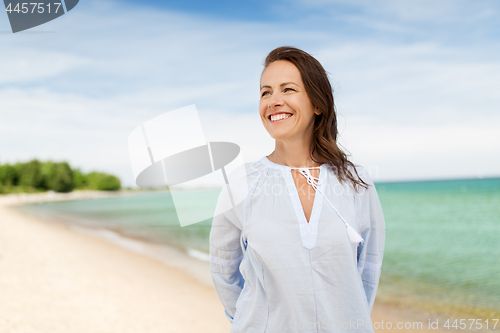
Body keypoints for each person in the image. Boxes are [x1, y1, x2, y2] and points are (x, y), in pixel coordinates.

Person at [209, 46, 386, 332]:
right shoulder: (242, 184)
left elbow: (368, 270)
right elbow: (223, 269)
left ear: (318, 104)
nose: (274, 101)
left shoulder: (356, 182)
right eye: (266, 92)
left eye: (287, 89)